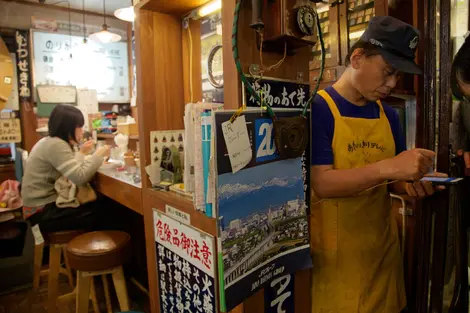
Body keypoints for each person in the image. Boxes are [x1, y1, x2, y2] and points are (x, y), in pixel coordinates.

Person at [310, 16, 446, 313]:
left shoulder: (389, 115)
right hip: (339, 260)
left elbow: (393, 183)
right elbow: (323, 183)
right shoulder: (319, 109)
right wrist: (390, 167)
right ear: (357, 58)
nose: (392, 84)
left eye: (397, 76)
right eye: (387, 72)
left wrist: (414, 182)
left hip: (382, 252)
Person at [21, 104, 110, 233]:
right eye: (79, 126)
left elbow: (72, 172)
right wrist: (98, 155)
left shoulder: (50, 141)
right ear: (67, 127)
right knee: (109, 210)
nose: (81, 130)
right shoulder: (56, 145)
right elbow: (79, 177)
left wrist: (82, 153)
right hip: (43, 212)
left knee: (102, 205)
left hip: (38, 208)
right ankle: (93, 251)